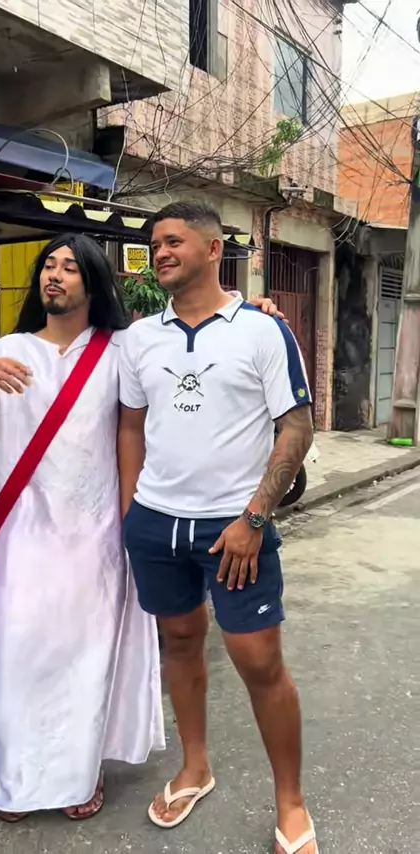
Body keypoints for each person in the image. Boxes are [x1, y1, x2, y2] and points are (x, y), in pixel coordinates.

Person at [0, 231, 281, 824]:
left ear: (93, 282)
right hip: (23, 535)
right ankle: (15, 782)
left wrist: (254, 312)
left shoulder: (123, 347)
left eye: (70, 267)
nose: (54, 275)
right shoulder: (8, 350)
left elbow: (189, 345)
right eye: (49, 265)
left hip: (96, 534)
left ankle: (79, 775)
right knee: (15, 660)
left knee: (85, 661)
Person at [118, 202, 317, 854]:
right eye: (156, 243)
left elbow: (296, 426)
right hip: (156, 525)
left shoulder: (262, 330)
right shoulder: (138, 338)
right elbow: (130, 426)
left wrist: (255, 517)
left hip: (235, 528)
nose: (161, 252)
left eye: (174, 241)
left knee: (260, 662)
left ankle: (291, 802)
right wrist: (131, 513)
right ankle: (194, 768)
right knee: (179, 644)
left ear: (211, 248)